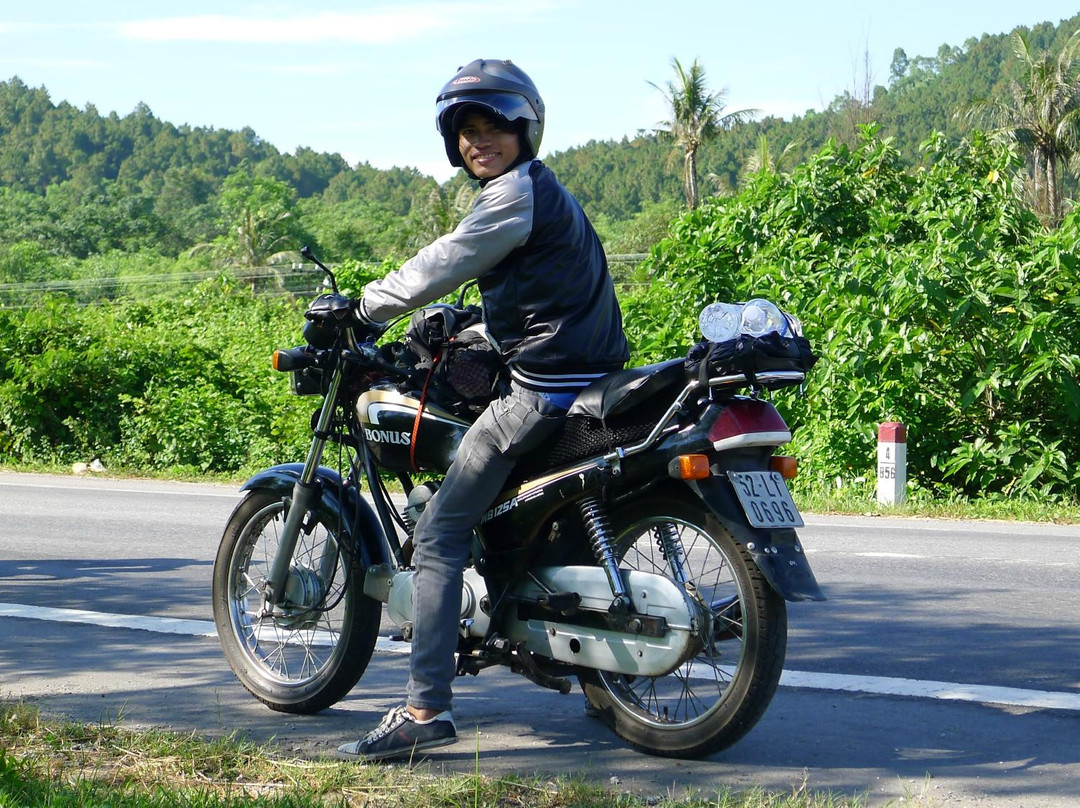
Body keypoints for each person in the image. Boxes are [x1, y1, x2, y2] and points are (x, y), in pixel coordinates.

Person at [336, 58, 629, 762]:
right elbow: (538, 295)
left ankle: (423, 708)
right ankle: (588, 665)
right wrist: (472, 329)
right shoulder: (545, 193)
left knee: (438, 535)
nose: (479, 140)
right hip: (588, 376)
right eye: (467, 130)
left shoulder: (511, 195)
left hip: (544, 389)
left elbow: (446, 258)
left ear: (525, 129)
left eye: (494, 125)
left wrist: (363, 308)